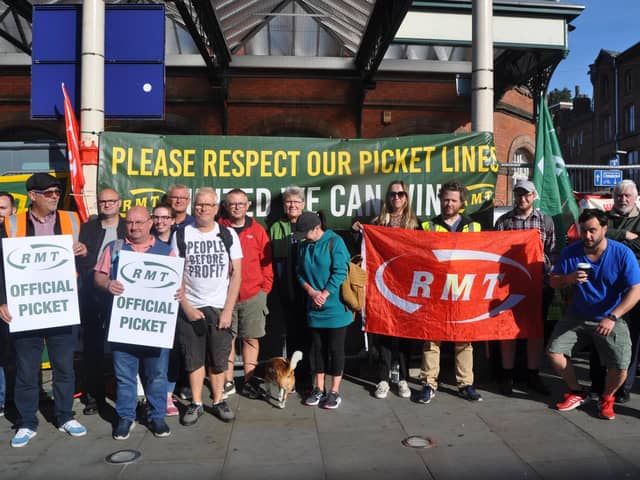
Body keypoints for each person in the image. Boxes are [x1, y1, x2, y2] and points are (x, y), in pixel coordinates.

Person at [0, 173, 88, 448]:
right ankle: (26, 422)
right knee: (27, 369)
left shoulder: (71, 220)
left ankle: (64, 416)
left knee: (64, 367)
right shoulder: (11, 223)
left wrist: (84, 251)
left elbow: (84, 261)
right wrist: (2, 300)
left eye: (56, 192)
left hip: (61, 307)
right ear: (33, 196)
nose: (54, 196)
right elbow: (2, 266)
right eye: (48, 192)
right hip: (27, 309)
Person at [94, 206, 180, 440]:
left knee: (157, 375)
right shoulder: (114, 249)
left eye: (139, 222)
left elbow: (178, 285)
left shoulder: (166, 252)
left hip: (154, 328)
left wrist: (180, 293)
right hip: (124, 327)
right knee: (124, 376)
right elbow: (99, 276)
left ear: (150, 223)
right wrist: (107, 284)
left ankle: (157, 417)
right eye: (130, 223)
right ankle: (125, 417)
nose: (134, 227)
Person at [548, 208, 640, 420]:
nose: (587, 236)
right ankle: (578, 391)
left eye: (592, 231)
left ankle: (607, 398)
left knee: (620, 368)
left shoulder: (621, 253)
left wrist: (613, 317)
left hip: (611, 316)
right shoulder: (572, 252)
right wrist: (568, 279)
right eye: (583, 230)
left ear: (604, 229)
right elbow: (553, 280)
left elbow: (636, 290)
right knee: (554, 352)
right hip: (577, 315)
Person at [173, 187, 242, 426]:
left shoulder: (228, 234)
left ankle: (219, 399)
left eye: (208, 205)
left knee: (219, 359)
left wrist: (227, 310)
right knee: (194, 359)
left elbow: (237, 275)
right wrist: (187, 307)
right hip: (191, 306)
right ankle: (196, 402)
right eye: (199, 205)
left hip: (219, 306)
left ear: (216, 208)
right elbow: (176, 274)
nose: (202, 209)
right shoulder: (181, 234)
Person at [352, 180, 419, 400]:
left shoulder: (415, 225)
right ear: (387, 197)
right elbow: (364, 249)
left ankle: (403, 378)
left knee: (404, 334)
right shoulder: (378, 223)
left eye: (401, 194)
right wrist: (358, 232)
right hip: (382, 287)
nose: (396, 198)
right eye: (392, 194)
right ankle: (382, 378)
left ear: (406, 197)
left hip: (407, 286)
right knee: (382, 332)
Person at [417, 180, 482, 404]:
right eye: (445, 199)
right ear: (439, 199)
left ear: (462, 202)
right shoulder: (427, 227)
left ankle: (466, 384)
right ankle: (428, 383)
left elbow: (482, 260)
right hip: (435, 292)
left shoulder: (474, 227)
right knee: (431, 340)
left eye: (453, 200)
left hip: (463, 291)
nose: (448, 204)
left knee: (464, 339)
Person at [494, 179, 555, 396]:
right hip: (509, 286)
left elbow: (551, 251)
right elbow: (494, 253)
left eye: (527, 194)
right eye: (519, 194)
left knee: (535, 331)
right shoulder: (503, 222)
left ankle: (533, 374)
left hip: (538, 284)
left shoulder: (545, 221)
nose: (523, 198)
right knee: (507, 331)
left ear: (534, 196)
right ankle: (507, 375)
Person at [76, 188, 127, 415]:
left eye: (111, 201)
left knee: (123, 346)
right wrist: (83, 252)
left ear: (119, 203)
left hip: (123, 295)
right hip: (92, 293)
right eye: (102, 201)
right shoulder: (87, 228)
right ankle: (94, 396)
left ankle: (123, 391)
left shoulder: (129, 226)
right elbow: (80, 260)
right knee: (92, 347)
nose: (107, 205)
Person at [219, 189, 273, 398]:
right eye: (232, 203)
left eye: (241, 203)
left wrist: (264, 290)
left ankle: (249, 380)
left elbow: (266, 264)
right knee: (227, 339)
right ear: (226, 206)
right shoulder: (217, 228)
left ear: (248, 205)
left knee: (251, 339)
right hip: (224, 296)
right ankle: (228, 381)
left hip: (253, 295)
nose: (237, 206)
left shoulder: (258, 231)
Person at [590, 179, 640, 403]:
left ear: (635, 197)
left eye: (628, 196)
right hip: (606, 288)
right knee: (600, 334)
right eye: (619, 196)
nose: (623, 199)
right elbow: (593, 238)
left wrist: (612, 238)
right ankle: (597, 384)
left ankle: (623, 387)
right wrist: (624, 236)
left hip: (634, 288)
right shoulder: (604, 219)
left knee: (632, 338)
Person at [295, 211, 352, 409]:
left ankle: (334, 391)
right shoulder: (304, 246)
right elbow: (299, 272)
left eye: (305, 233)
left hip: (336, 308)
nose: (303, 237)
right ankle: (319, 388)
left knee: (335, 349)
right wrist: (312, 292)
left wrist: (325, 294)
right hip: (314, 308)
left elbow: (340, 271)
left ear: (316, 228)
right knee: (316, 349)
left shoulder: (335, 242)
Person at [269, 186, 311, 392]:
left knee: (310, 332)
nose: (293, 205)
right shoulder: (277, 227)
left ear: (303, 204)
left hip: (309, 288)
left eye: (296, 202)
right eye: (289, 202)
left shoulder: (311, 224)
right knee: (292, 333)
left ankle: (309, 375)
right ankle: (293, 376)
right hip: (286, 287)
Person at [151, 203, 180, 416]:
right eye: (157, 217)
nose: (160, 222)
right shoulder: (146, 241)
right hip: (155, 307)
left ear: (172, 220)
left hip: (179, 303)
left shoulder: (181, 239)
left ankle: (170, 391)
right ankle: (160, 395)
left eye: (165, 218)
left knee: (176, 350)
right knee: (158, 352)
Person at [0, 192, 15, 417]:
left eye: (3, 208)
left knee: (17, 355)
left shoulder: (19, 236)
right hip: (2, 303)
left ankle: (15, 398)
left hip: (20, 306)